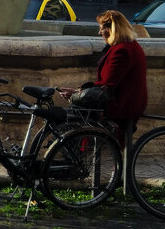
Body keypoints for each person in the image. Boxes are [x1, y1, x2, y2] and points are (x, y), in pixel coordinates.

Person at [63, 10, 148, 143]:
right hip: (127, 101)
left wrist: (77, 93)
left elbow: (108, 83)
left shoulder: (121, 50)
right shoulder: (129, 46)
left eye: (102, 28)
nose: (100, 32)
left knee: (71, 117)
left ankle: (75, 153)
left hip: (122, 105)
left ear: (112, 29)